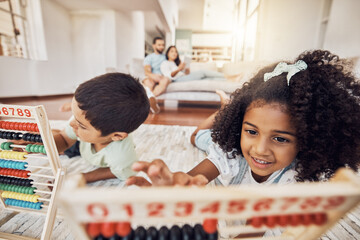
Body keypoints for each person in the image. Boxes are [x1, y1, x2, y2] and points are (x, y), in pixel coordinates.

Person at [127, 50, 360, 188]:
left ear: (309, 139)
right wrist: (176, 185)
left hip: (242, 145)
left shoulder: (298, 180)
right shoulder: (230, 151)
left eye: (280, 138)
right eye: (251, 131)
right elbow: (192, 179)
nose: (260, 149)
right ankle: (223, 112)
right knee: (196, 136)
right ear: (240, 124)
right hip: (229, 143)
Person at [54, 73, 150, 183]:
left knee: (63, 145)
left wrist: (82, 177)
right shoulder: (83, 118)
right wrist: (45, 145)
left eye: (81, 125)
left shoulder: (122, 157)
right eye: (74, 116)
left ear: (117, 136)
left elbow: (118, 172)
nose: (72, 123)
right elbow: (64, 138)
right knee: (52, 138)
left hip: (88, 146)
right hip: (82, 141)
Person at [160, 45, 238, 82]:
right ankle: (228, 76)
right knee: (202, 72)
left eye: (176, 51)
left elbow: (187, 74)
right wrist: (179, 69)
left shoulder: (176, 63)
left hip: (183, 77)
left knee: (207, 78)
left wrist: (187, 68)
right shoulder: (165, 63)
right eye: (172, 51)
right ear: (167, 53)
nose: (175, 53)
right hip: (177, 80)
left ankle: (229, 79)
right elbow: (168, 76)